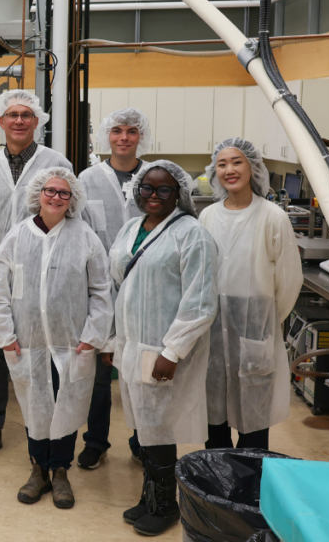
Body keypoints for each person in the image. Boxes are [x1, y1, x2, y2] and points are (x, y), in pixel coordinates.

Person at [0, 167, 113, 509]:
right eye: (50, 191)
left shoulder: (85, 237)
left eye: (63, 193)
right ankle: (38, 469)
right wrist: (4, 334)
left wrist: (93, 336)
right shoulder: (16, 236)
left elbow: (101, 290)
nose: (55, 197)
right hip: (27, 343)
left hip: (72, 344)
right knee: (35, 406)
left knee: (66, 405)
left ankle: (61, 472)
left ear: (72, 200)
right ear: (38, 194)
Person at [109, 160, 218, 536]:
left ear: (180, 194)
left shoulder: (191, 234)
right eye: (147, 188)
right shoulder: (130, 228)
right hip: (131, 342)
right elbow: (117, 286)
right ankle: (149, 498)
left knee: (160, 427)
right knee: (145, 427)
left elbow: (200, 301)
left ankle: (165, 505)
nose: (153, 196)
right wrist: (113, 339)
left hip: (163, 348)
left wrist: (172, 352)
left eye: (164, 190)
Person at [0, 89, 72, 463]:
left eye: (26, 115)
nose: (18, 120)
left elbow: (68, 213)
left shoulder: (55, 162)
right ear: (0, 122)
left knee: (46, 352)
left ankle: (51, 432)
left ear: (37, 121)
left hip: (44, 271)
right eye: (11, 114)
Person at [200, 138, 301, 450]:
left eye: (237, 162)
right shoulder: (208, 217)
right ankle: (215, 495)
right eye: (222, 164)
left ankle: (249, 495)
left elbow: (289, 281)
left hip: (255, 326)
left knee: (253, 428)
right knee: (213, 424)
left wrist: (263, 322)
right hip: (213, 329)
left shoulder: (273, 217)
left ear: (253, 167)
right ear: (214, 171)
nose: (229, 170)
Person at [76, 107, 151, 470]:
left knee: (140, 369)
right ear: (108, 135)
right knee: (98, 372)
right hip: (101, 287)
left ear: (141, 136)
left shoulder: (155, 176)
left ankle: (143, 440)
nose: (124, 137)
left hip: (145, 288)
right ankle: (95, 441)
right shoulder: (88, 179)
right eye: (118, 130)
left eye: (132, 131)